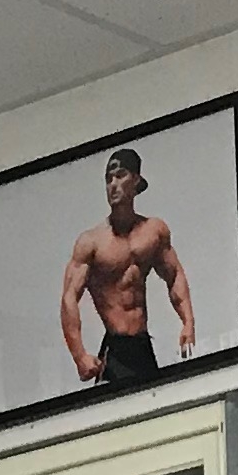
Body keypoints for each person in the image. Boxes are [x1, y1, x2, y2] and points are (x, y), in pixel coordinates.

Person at [57, 147, 193, 387]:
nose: (113, 185)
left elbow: (174, 275)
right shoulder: (91, 242)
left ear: (136, 180)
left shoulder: (153, 232)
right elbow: (69, 297)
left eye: (120, 176)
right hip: (115, 349)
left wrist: (188, 322)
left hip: (142, 344)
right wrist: (79, 356)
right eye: (108, 179)